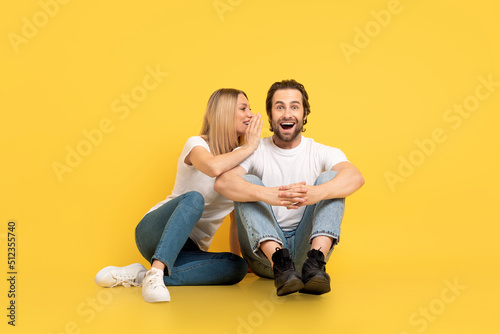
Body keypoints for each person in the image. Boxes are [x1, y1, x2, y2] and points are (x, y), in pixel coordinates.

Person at [94, 88, 262, 302]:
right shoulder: (197, 145)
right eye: (243, 108)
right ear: (224, 112)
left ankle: (142, 276)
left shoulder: (242, 167)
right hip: (156, 232)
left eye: (250, 108)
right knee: (195, 199)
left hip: (189, 250)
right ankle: (156, 273)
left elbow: (235, 219)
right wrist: (250, 147)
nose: (250, 114)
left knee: (236, 267)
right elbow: (213, 167)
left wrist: (238, 257)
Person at [214, 79, 364, 296]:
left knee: (332, 179)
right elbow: (223, 182)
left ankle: (316, 264)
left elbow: (355, 177)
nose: (287, 114)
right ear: (270, 115)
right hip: (265, 260)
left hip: (306, 255)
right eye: (279, 107)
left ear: (304, 115)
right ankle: (281, 265)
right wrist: (268, 194)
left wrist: (318, 193)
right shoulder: (255, 150)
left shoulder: (321, 151)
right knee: (250, 184)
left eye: (294, 107)